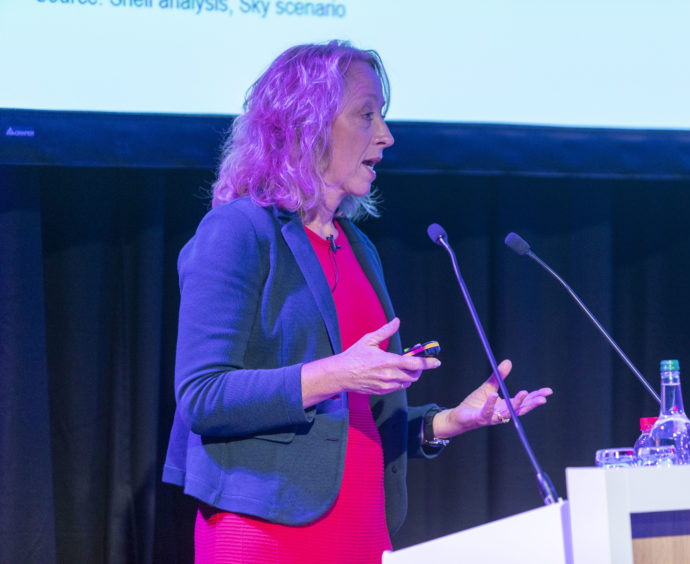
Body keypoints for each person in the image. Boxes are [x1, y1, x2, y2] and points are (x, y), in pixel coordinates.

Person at [162, 40, 553, 563]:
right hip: (266, 531)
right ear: (307, 125)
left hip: (364, 529)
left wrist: (449, 421)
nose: (386, 136)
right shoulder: (238, 231)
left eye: (382, 117)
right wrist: (338, 373)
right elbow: (203, 395)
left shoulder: (357, 246)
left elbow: (354, 422)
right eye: (366, 115)